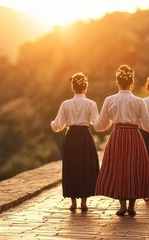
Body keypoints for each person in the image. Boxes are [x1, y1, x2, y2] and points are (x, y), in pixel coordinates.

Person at [93, 65, 149, 216]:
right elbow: (148, 125)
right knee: (134, 168)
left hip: (117, 136)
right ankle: (132, 206)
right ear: (132, 82)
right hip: (134, 135)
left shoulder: (109, 100)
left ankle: (122, 205)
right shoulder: (139, 101)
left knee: (119, 169)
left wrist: (103, 123)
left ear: (117, 81)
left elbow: (101, 125)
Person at [50, 72, 100, 211]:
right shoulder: (91, 103)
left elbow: (58, 126)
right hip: (85, 136)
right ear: (86, 87)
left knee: (71, 167)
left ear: (73, 87)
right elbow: (97, 123)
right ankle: (84, 202)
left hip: (71, 136)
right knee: (85, 167)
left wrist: (52, 123)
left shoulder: (66, 104)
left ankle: (73, 203)